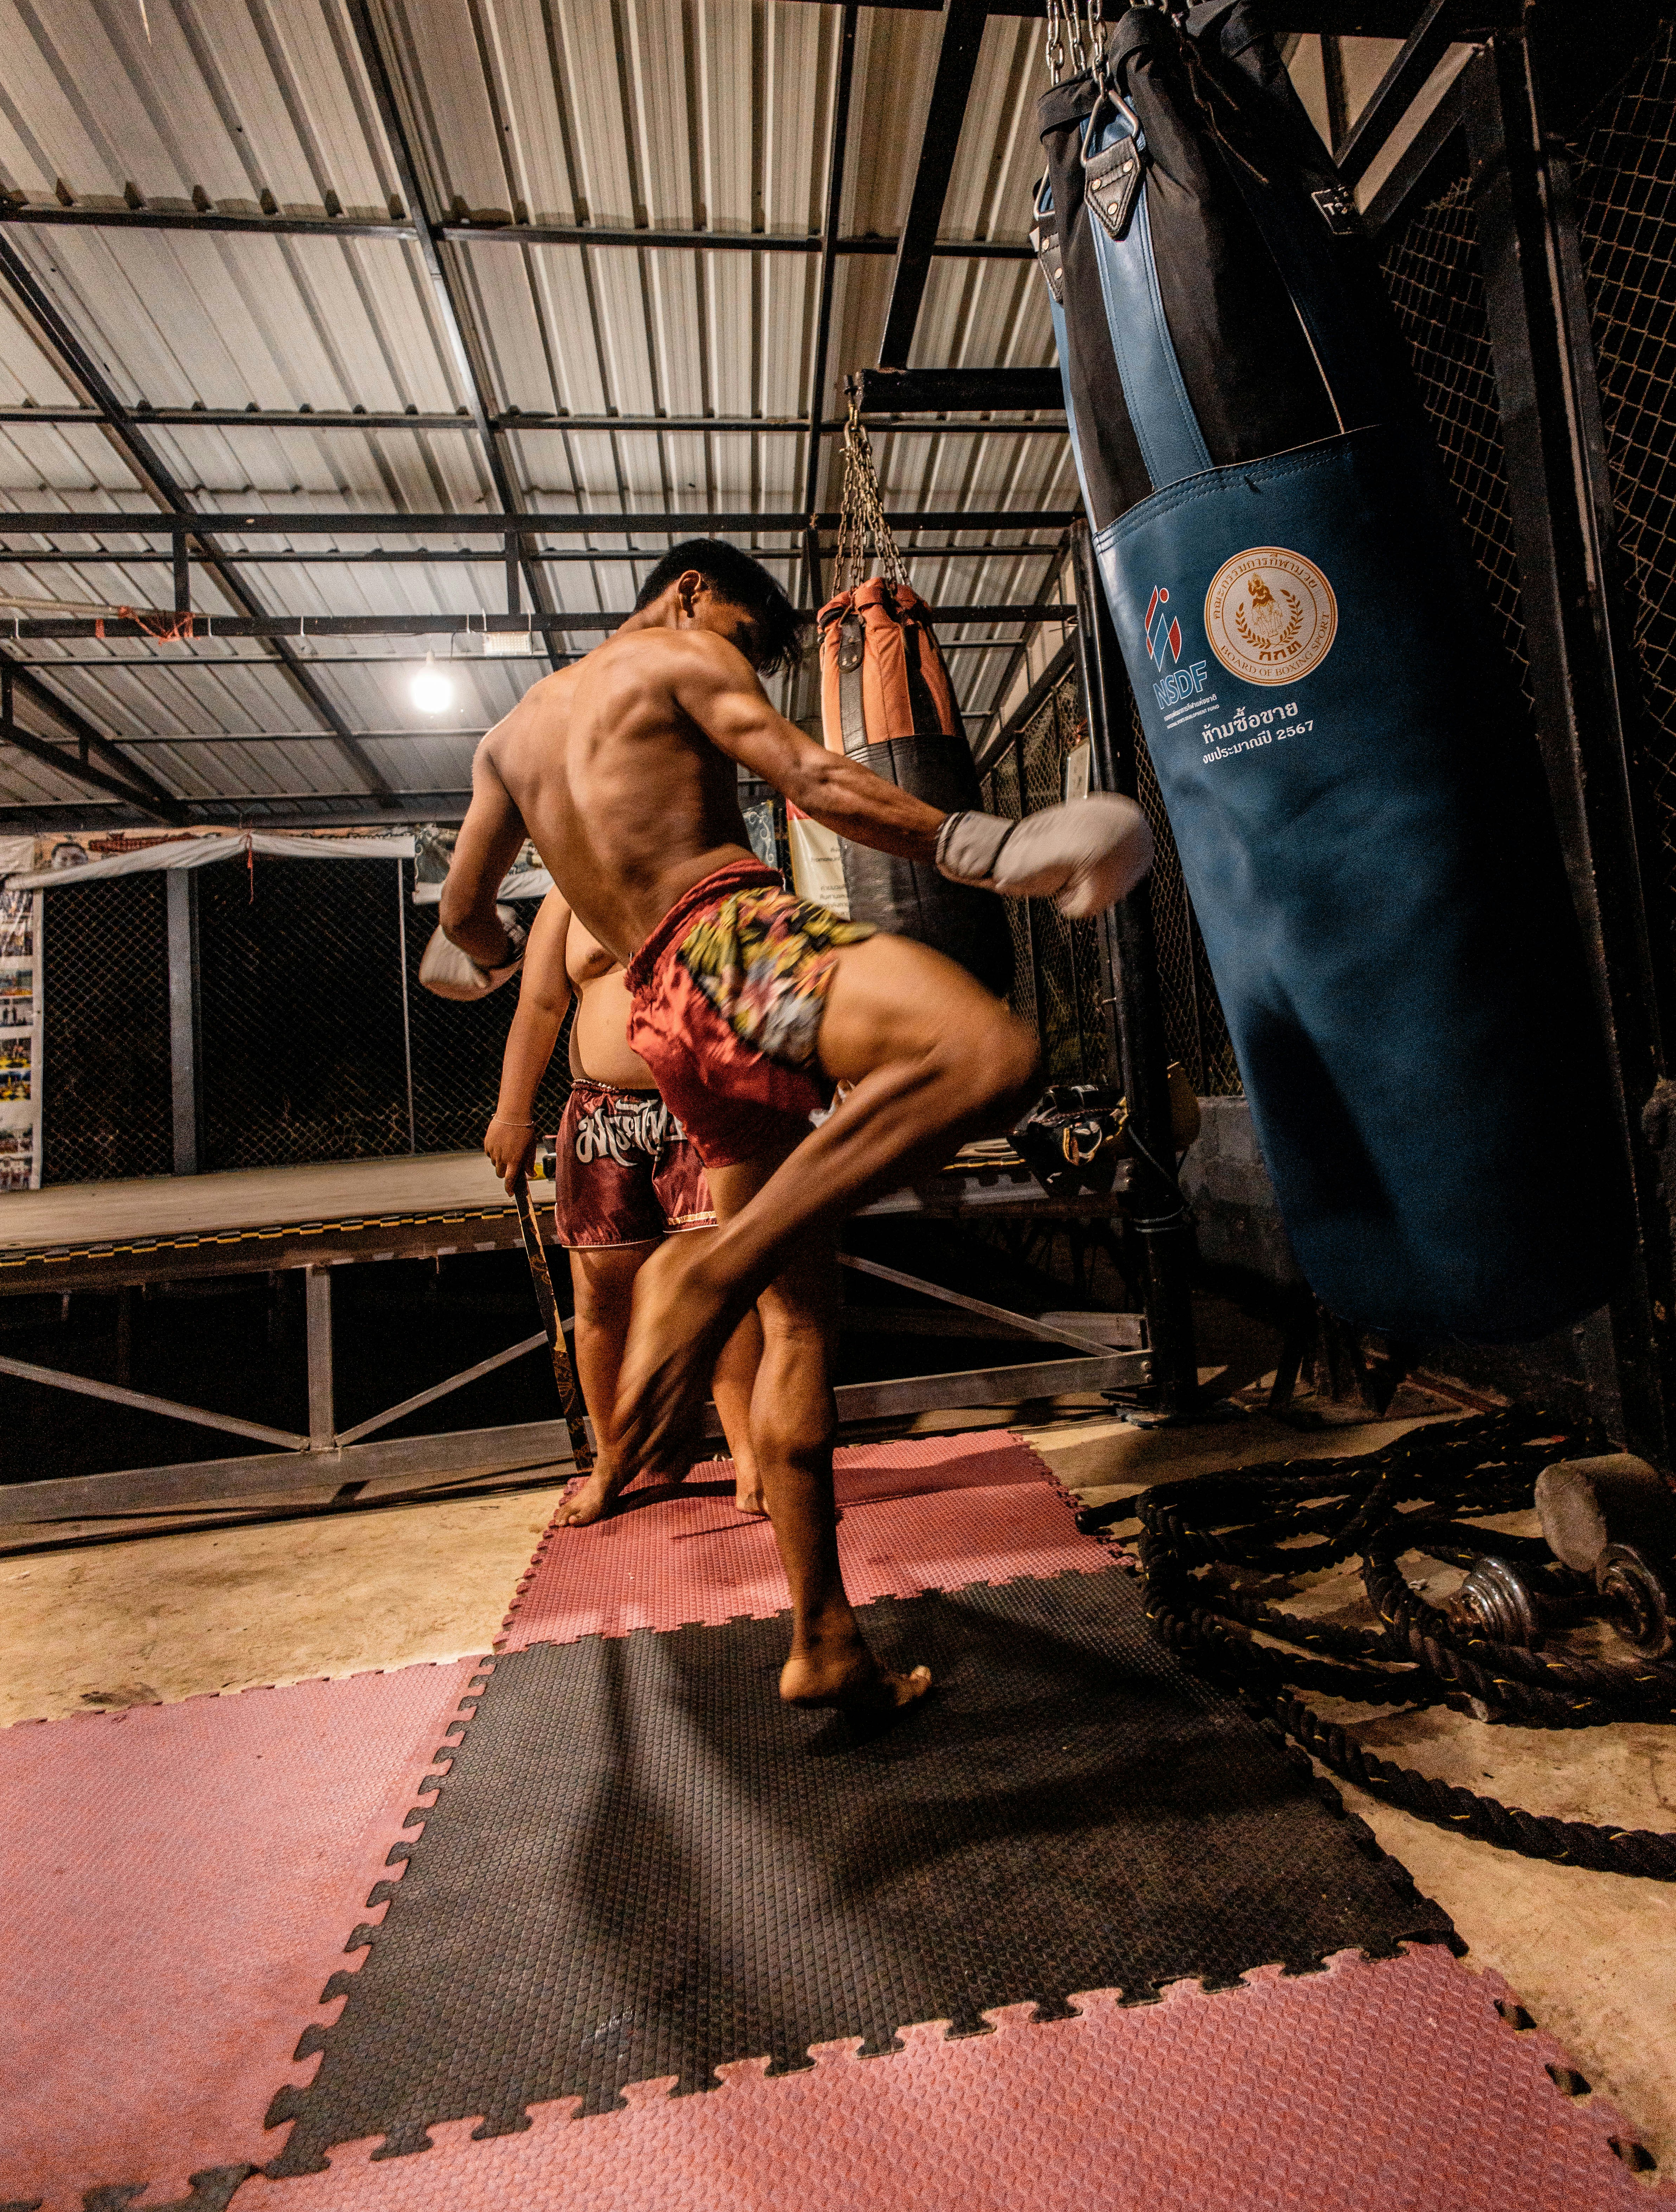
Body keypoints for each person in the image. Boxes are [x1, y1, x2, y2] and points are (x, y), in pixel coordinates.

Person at [441, 538, 1152, 1714]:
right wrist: (985, 847)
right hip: (729, 942)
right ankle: (710, 1265)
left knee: (797, 1314)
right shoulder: (673, 651)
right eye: (739, 635)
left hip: (666, 1013)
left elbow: (469, 917)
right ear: (688, 593)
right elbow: (811, 779)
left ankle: (823, 1635)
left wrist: (480, 956)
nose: (738, 660)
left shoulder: (506, 740)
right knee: (986, 1050)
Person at [477, 883, 766, 1524]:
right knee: (601, 1292)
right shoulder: (563, 898)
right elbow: (541, 1005)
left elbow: (757, 987)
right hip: (599, 1110)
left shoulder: (695, 872)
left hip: (700, 1101)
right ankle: (612, 1462)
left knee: (722, 1283)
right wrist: (512, 1112)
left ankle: (750, 1456)